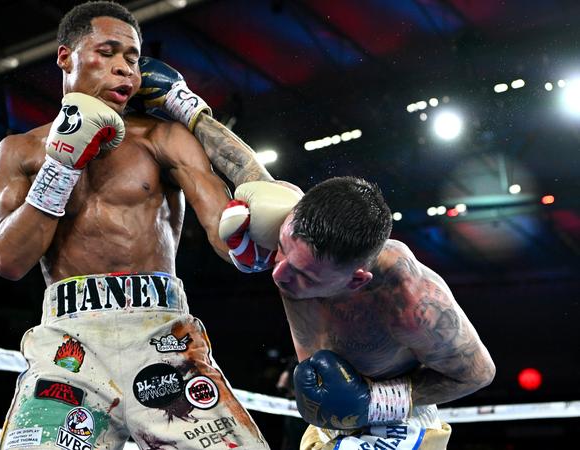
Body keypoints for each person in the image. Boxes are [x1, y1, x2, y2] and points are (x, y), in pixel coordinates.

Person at [140, 63, 496, 450]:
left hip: (398, 422)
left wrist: (377, 401)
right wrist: (184, 105)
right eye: (284, 253)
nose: (280, 275)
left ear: (356, 278)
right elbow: (240, 164)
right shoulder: (285, 217)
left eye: (306, 276)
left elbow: (477, 373)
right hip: (323, 416)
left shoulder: (412, 301)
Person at [0, 2, 271, 449]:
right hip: (69, 347)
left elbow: (221, 223)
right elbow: (8, 259)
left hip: (164, 338)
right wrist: (61, 165)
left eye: (133, 58)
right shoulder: (19, 151)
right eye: (109, 52)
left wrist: (249, 237)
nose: (125, 69)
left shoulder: (162, 137)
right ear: (66, 57)